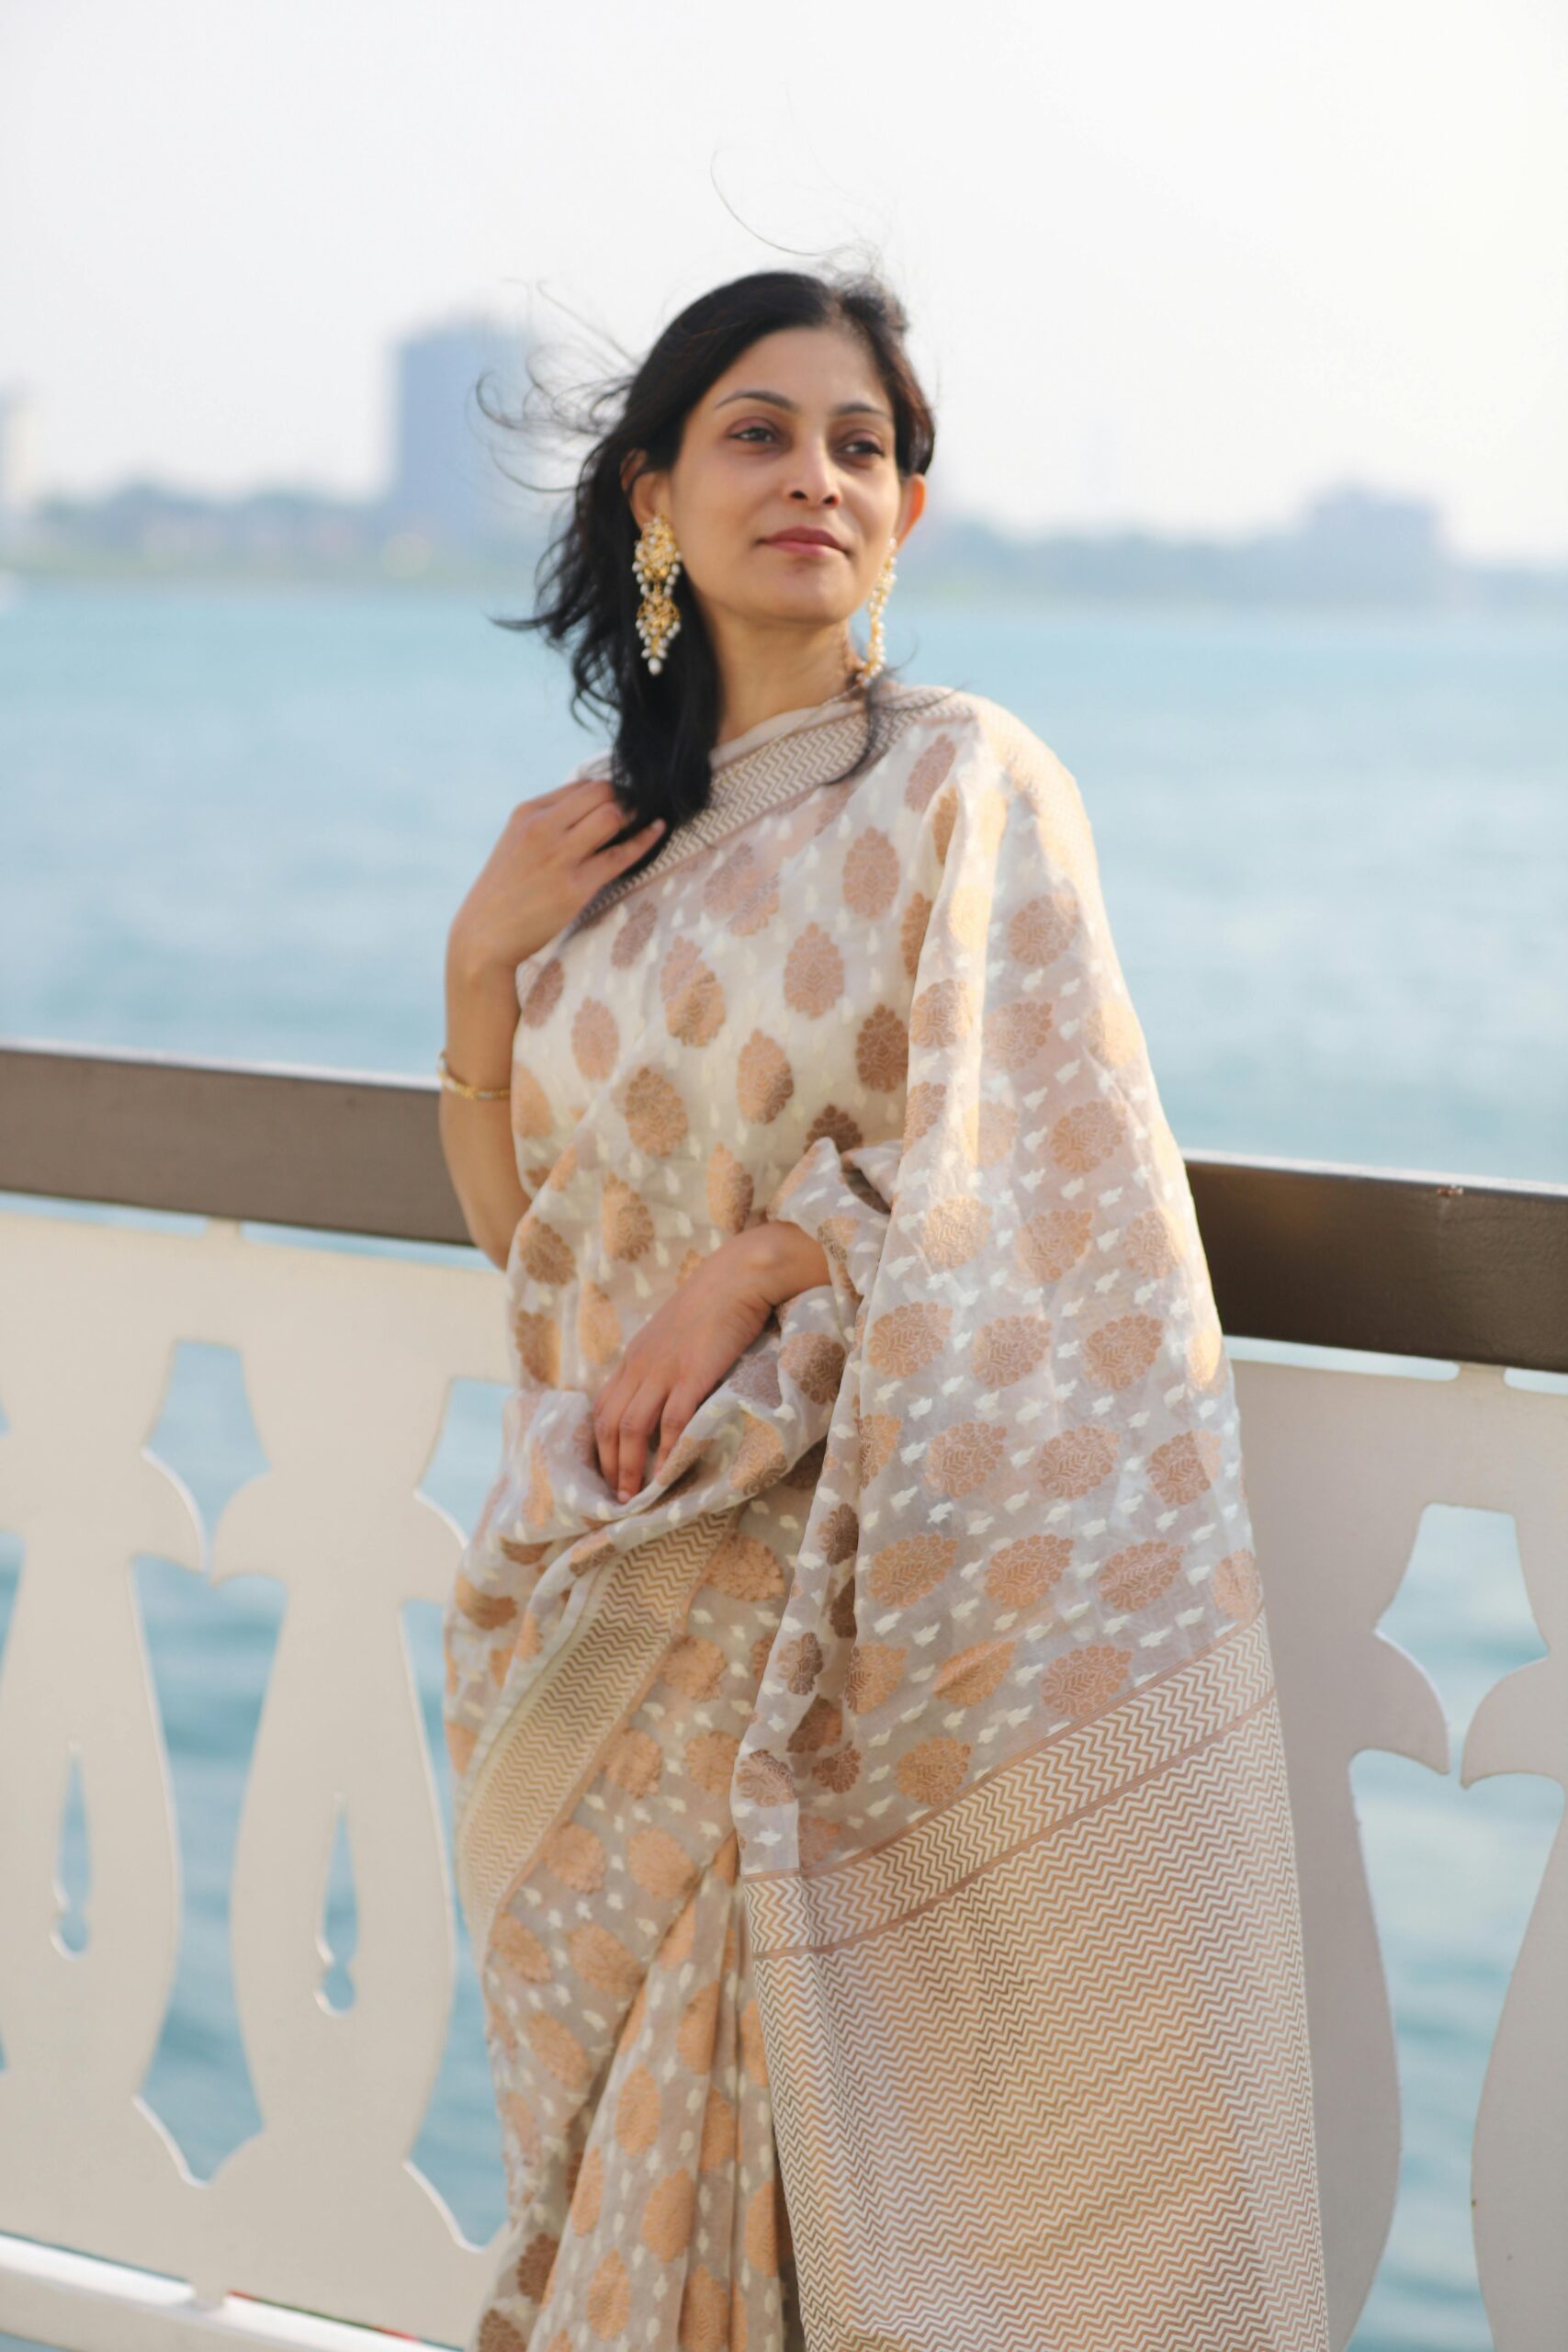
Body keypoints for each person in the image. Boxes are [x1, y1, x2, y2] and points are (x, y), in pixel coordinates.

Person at [437, 266, 1331, 2352]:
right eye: (756, 432)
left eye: (860, 445)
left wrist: (764, 1259)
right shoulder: (609, 851)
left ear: (905, 514)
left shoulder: (959, 787)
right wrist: (481, 975)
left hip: (854, 1611)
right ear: (654, 499)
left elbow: (1038, 1170)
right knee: (628, 2205)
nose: (815, 477)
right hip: (614, 1587)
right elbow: (541, 1254)